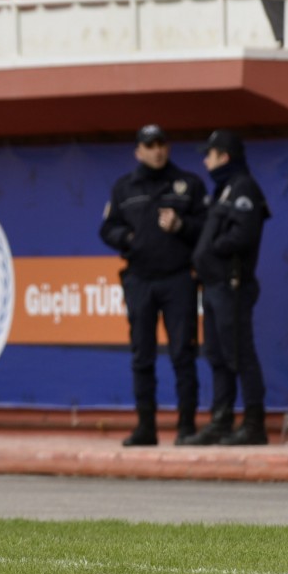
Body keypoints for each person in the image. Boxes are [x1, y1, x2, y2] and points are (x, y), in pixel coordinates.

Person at [99, 124, 208, 447]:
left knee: (183, 354)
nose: (157, 151)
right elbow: (107, 228)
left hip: (178, 279)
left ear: (168, 148)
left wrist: (181, 225)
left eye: (161, 144)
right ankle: (146, 428)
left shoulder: (188, 184)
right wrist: (127, 237)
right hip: (140, 280)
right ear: (138, 152)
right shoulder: (124, 187)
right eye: (150, 145)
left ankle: (186, 427)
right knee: (141, 356)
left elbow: (207, 227)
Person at [181, 129, 271, 446]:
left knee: (240, 354)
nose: (205, 161)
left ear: (224, 156)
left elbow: (243, 234)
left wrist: (212, 250)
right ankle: (221, 421)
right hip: (213, 286)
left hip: (232, 285)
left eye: (209, 155)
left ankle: (254, 424)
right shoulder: (224, 188)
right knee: (217, 355)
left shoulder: (243, 186)